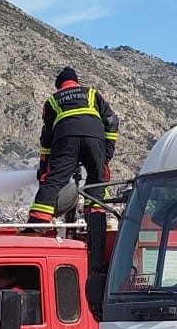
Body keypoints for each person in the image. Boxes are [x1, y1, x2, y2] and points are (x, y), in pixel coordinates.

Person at [29, 66, 118, 223]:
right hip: (94, 138)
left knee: (54, 180)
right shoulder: (92, 93)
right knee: (98, 178)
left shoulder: (52, 101)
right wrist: (106, 154)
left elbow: (46, 139)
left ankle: (37, 223)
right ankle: (95, 221)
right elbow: (111, 122)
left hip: (65, 140)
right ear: (76, 82)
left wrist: (45, 167)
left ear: (59, 85)